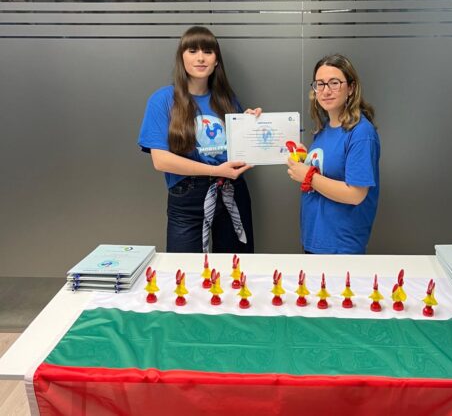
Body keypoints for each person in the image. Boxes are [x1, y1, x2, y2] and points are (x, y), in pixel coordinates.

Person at [138, 26, 260, 253]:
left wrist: (252, 124)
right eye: (193, 51)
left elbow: (240, 151)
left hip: (232, 190)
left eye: (208, 51)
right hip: (188, 197)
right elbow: (161, 160)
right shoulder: (163, 99)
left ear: (216, 60)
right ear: (182, 57)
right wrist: (215, 171)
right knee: (186, 269)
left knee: (235, 266)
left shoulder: (228, 100)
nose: (201, 58)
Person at [286, 54, 380, 254]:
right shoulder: (324, 129)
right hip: (314, 240)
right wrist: (307, 160)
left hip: (340, 247)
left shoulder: (361, 133)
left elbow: (355, 194)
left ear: (351, 88)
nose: (326, 91)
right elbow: (328, 171)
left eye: (334, 83)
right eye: (320, 84)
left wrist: (308, 176)